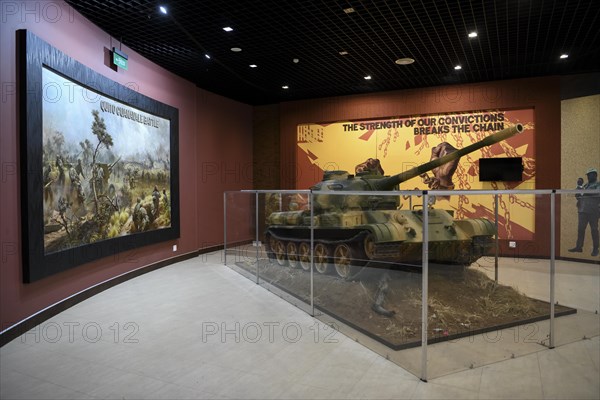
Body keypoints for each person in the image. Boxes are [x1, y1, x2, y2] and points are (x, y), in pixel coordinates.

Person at [569, 168, 600, 256]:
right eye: (588, 175)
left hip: (593, 211)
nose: (588, 177)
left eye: (590, 175)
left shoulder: (598, 184)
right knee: (580, 230)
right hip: (582, 210)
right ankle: (579, 247)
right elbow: (578, 196)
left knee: (594, 230)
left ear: (595, 175)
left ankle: (595, 249)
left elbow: (597, 193)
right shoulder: (585, 185)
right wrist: (578, 189)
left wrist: (583, 192)